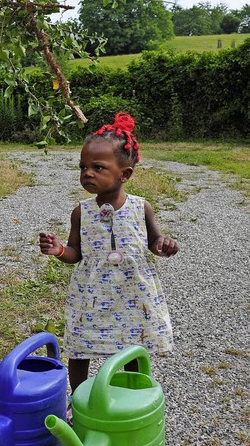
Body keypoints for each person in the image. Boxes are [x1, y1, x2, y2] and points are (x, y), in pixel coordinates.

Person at [39, 112, 179, 394]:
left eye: (98, 167)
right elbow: (76, 252)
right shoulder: (81, 211)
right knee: (79, 347)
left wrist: (164, 244)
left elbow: (153, 242)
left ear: (125, 174)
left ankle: (132, 396)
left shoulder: (142, 208)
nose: (87, 173)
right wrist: (60, 250)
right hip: (92, 295)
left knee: (132, 347)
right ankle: (78, 399)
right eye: (83, 167)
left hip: (131, 292)